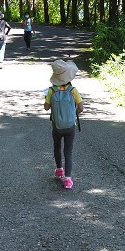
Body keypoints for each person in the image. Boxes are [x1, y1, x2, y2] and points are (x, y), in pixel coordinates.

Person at [44, 59, 83, 190]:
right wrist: (73, 113)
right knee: (68, 151)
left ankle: (59, 170)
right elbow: (81, 108)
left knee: (57, 146)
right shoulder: (73, 91)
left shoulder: (51, 91)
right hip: (70, 126)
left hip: (56, 126)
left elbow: (46, 107)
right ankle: (68, 179)